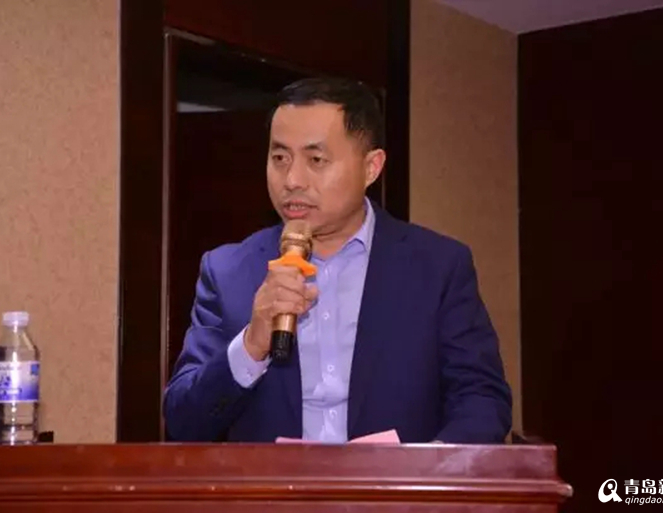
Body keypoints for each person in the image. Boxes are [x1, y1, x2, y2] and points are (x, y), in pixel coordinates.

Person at [163, 77, 512, 443]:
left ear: (371, 167)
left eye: (316, 160)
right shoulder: (227, 272)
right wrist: (251, 345)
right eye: (280, 158)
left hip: (400, 481)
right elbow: (183, 421)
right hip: (274, 483)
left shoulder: (438, 267)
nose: (292, 180)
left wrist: (429, 467)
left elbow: (482, 399)